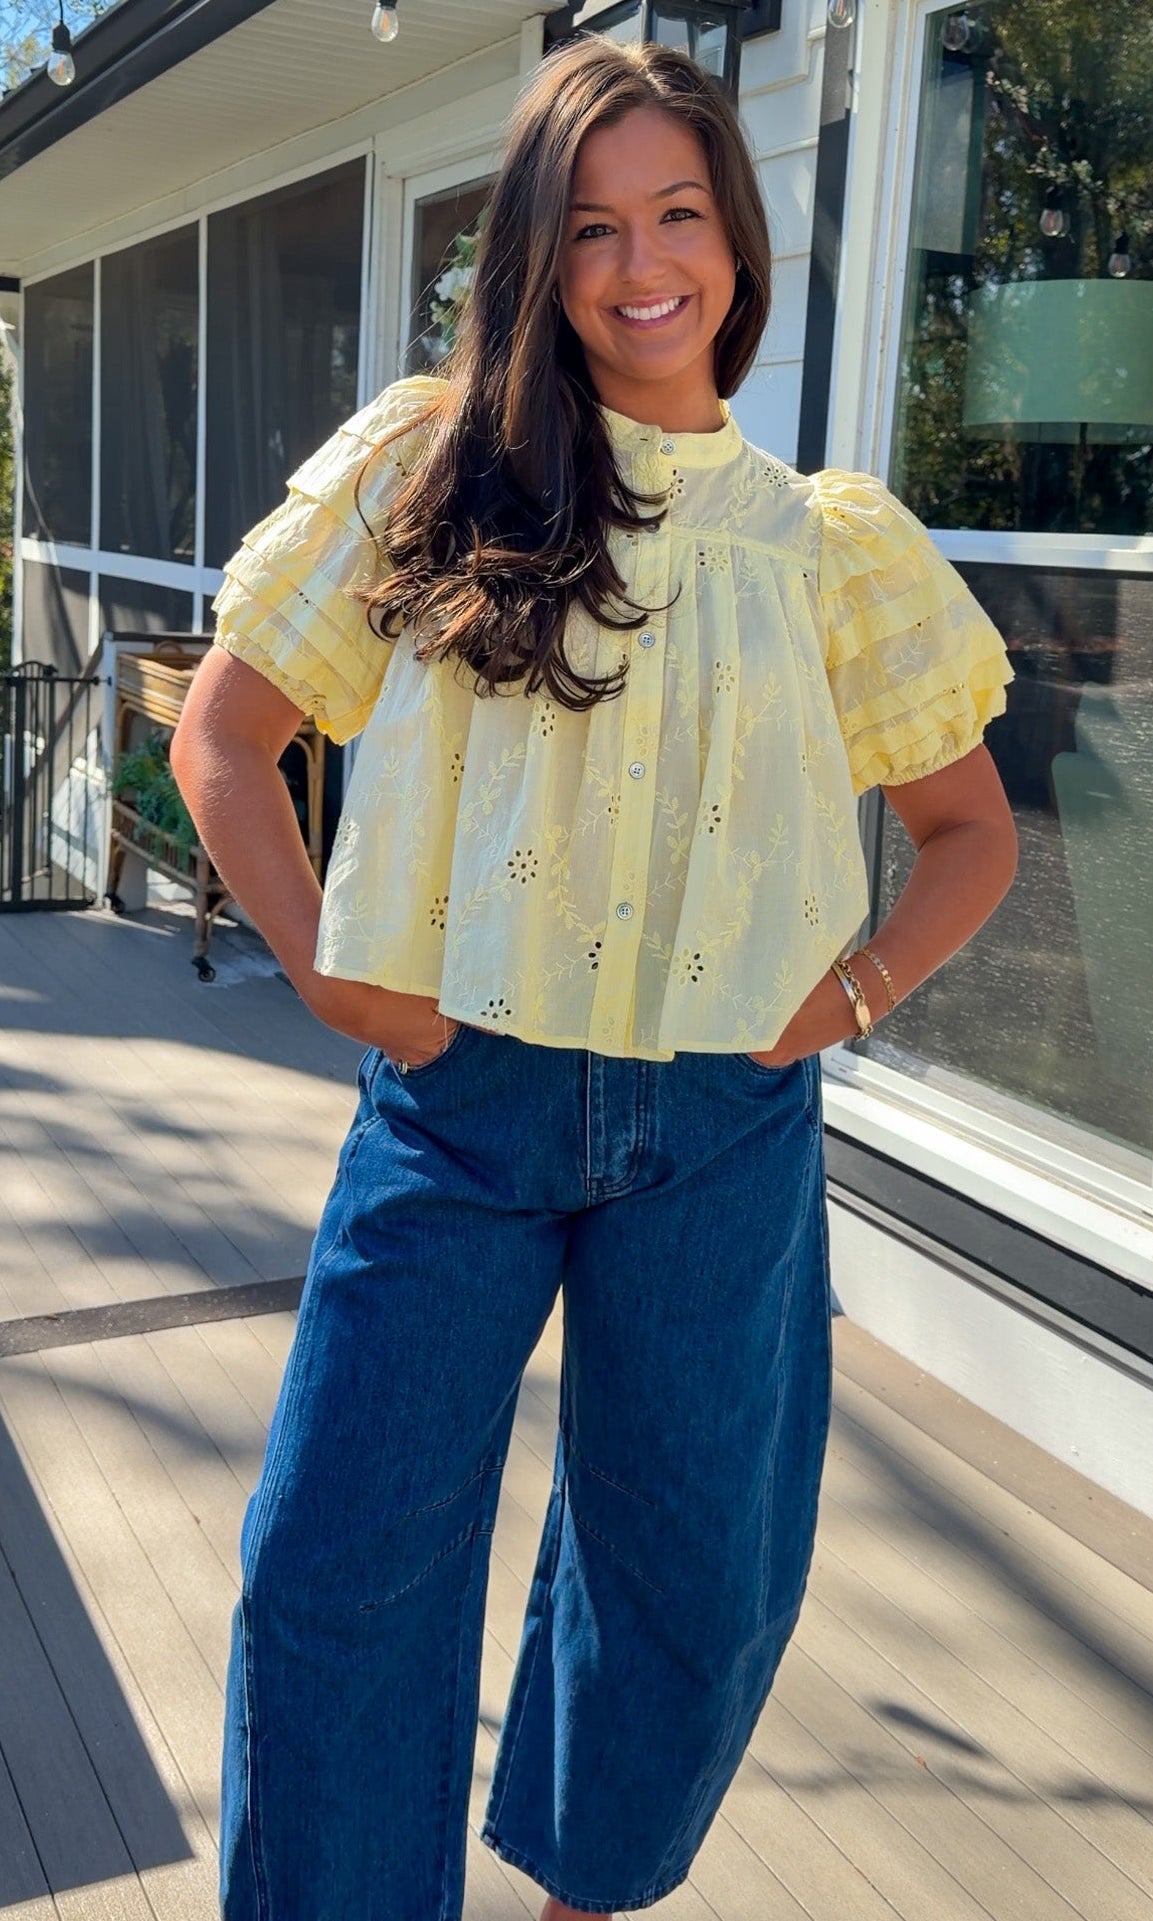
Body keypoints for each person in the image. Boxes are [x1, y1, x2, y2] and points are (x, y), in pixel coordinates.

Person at [171, 33, 1017, 1921]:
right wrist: (323, 970)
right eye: (592, 227)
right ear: (536, 257)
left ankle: (581, 1896)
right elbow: (224, 740)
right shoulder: (434, 460)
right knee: (337, 1567)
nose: (644, 265)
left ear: (735, 234)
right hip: (459, 1109)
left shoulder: (828, 550)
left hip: (722, 1124)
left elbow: (972, 837)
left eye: (681, 213)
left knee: (695, 1582)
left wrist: (854, 993)